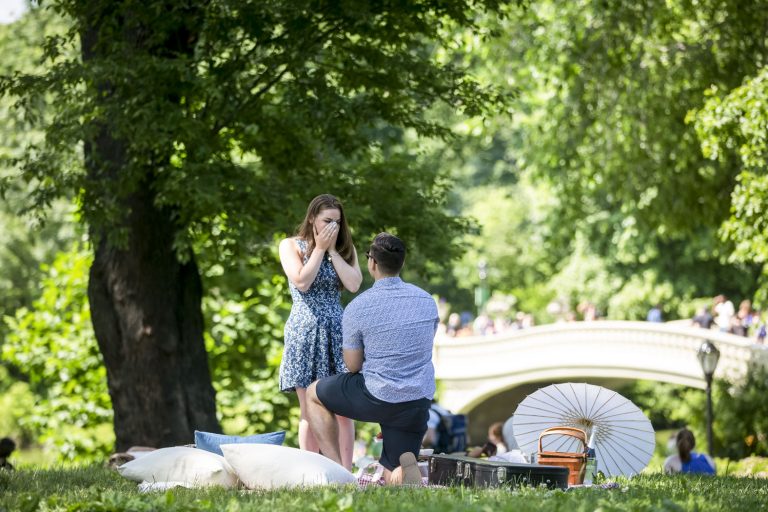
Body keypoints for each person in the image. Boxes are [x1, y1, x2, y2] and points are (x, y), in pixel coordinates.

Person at [306, 233, 438, 485]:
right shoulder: (427, 301)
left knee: (314, 394)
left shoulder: (359, 306)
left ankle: (338, 474)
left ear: (372, 263)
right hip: (416, 402)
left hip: (377, 395)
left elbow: (353, 365)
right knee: (393, 468)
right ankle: (399, 471)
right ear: (402, 263)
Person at [278, 194, 363, 470]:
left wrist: (332, 251)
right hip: (305, 331)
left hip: (338, 333)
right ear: (312, 217)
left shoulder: (345, 249)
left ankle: (345, 472)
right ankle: (313, 472)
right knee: (308, 410)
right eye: (327, 221)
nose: (332, 228)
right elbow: (302, 281)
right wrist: (318, 249)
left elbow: (353, 284)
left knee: (343, 410)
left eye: (337, 222)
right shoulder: (291, 246)